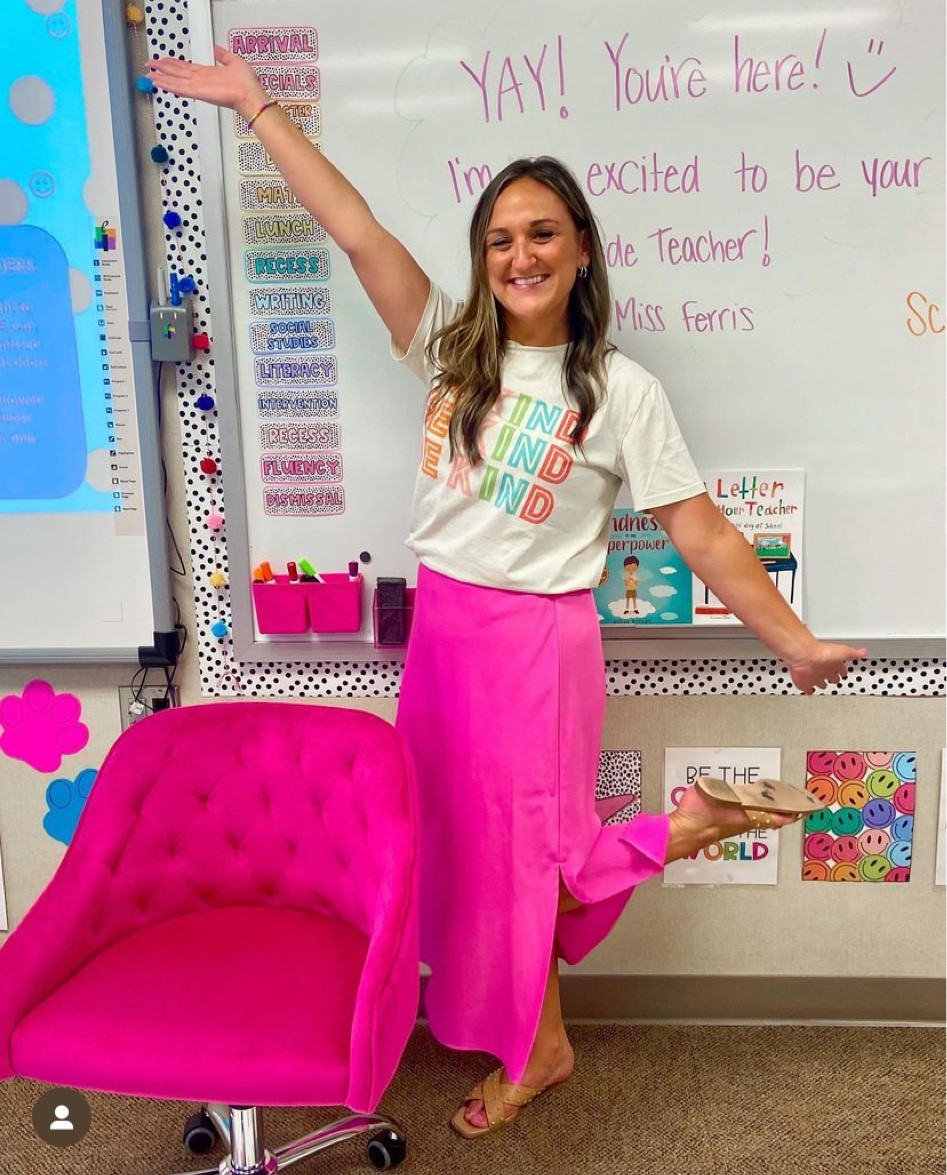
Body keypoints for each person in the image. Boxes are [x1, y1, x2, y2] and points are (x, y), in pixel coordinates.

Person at [149, 47, 868, 1141]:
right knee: (464, 851)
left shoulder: (620, 389)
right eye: (498, 237)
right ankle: (557, 1012)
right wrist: (260, 110)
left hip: (536, 647)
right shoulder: (452, 351)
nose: (519, 252)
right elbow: (355, 230)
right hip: (444, 631)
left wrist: (794, 641)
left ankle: (642, 887)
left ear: (579, 248)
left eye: (541, 232)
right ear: (482, 259)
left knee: (533, 856)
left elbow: (698, 528)